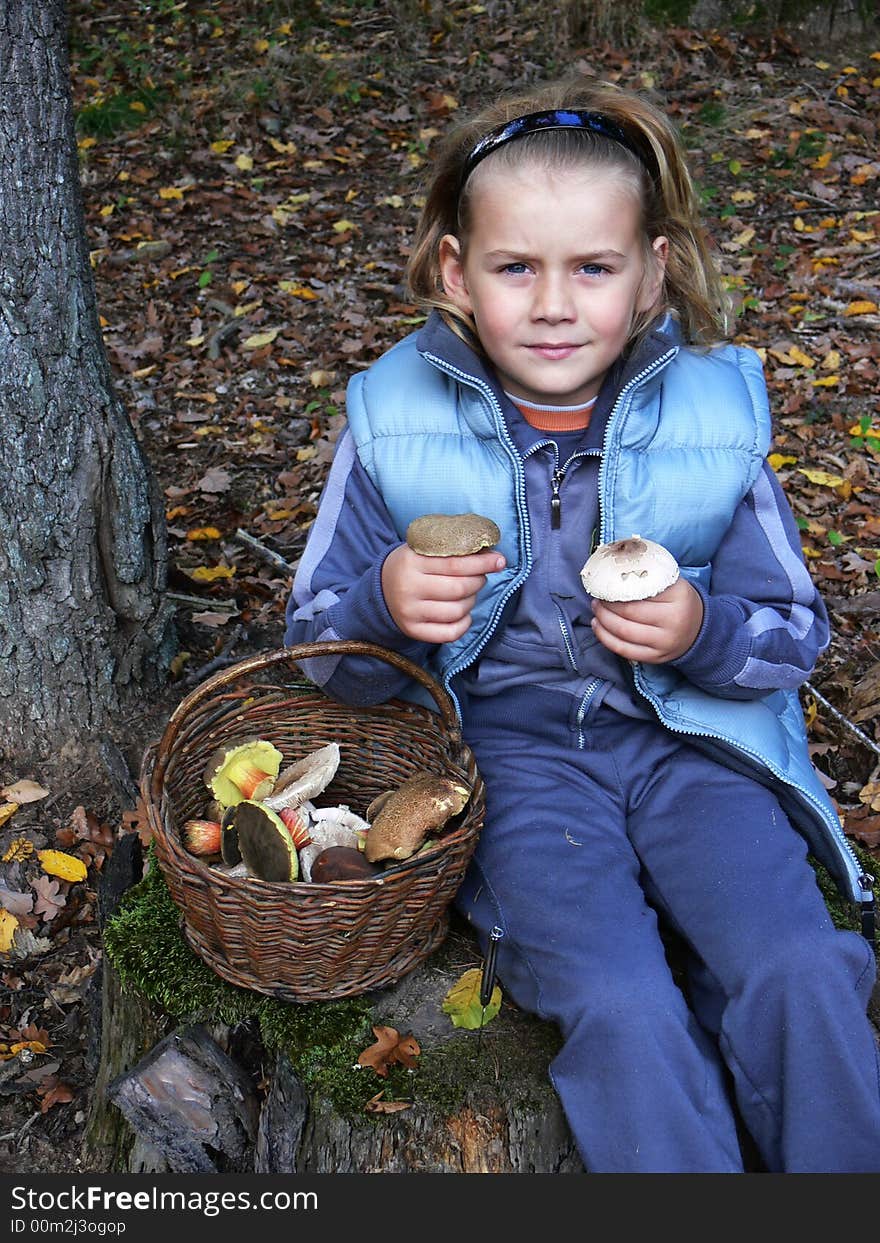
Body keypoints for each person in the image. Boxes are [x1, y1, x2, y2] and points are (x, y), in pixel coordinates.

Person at [284, 75, 880, 1173]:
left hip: (693, 753)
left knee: (796, 964)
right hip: (514, 771)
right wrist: (383, 603)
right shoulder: (394, 421)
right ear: (457, 275)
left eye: (592, 268)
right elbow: (321, 648)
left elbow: (791, 633)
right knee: (618, 997)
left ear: (651, 272)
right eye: (516, 267)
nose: (554, 304)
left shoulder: (713, 420)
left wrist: (700, 625)